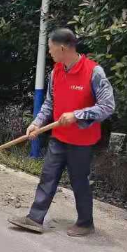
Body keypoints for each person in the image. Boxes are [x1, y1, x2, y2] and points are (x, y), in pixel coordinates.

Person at [8, 28, 115, 237]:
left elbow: (108, 106)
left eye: (50, 48)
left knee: (79, 181)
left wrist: (77, 115)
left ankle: (85, 223)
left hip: (82, 141)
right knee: (47, 176)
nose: (49, 52)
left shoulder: (93, 72)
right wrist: (37, 123)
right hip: (59, 136)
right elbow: (49, 103)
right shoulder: (56, 71)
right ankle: (34, 219)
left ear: (63, 48)